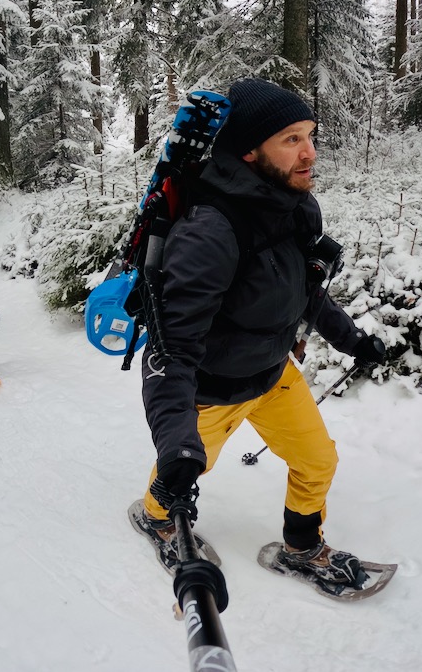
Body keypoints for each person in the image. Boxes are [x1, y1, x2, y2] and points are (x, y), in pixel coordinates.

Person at [130, 78, 388, 590]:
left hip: (272, 376)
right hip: (213, 391)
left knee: (317, 460)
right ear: (249, 151)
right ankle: (155, 516)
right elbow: (171, 348)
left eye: (310, 135)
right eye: (291, 139)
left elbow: (303, 293)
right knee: (182, 472)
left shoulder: (287, 208)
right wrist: (177, 443)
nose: (310, 152)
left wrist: (352, 340)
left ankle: (301, 548)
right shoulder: (211, 232)